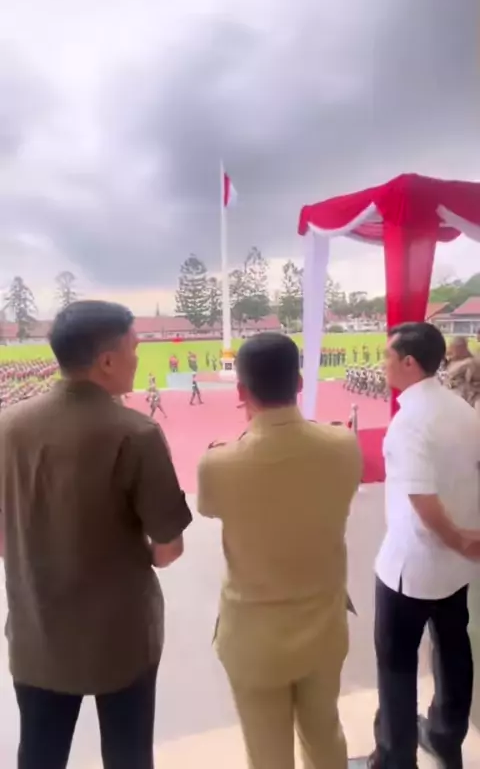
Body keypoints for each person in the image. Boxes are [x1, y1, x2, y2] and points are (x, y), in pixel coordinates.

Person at [0, 300, 192, 769]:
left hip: (37, 633)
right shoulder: (136, 433)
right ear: (107, 361)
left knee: (40, 754)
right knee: (128, 755)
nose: (137, 358)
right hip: (120, 638)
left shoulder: (8, 426)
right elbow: (168, 547)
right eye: (133, 348)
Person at [197, 332, 361, 769]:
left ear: (241, 391)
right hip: (323, 628)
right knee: (325, 735)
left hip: (253, 638)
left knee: (266, 751)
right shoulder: (343, 444)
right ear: (299, 382)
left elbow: (209, 507)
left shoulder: (218, 463)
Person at [368, 322, 480, 769]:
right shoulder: (462, 410)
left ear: (409, 362)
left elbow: (422, 499)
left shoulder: (409, 423)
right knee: (453, 649)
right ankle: (446, 736)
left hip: (410, 568)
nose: (383, 364)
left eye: (388, 356)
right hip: (456, 564)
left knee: (396, 665)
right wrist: (466, 542)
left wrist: (457, 536)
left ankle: (397, 757)